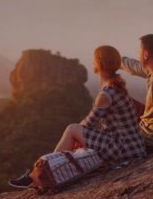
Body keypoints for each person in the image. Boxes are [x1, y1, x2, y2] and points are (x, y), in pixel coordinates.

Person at [9, 45, 147, 189]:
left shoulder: (106, 94)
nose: (92, 63)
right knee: (77, 133)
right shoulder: (118, 86)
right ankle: (47, 169)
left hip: (122, 148)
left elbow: (87, 124)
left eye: (94, 61)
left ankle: (47, 170)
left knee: (72, 129)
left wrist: (78, 137)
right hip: (134, 146)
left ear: (99, 64)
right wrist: (81, 137)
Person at [121, 34, 153, 152]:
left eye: (139, 50)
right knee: (123, 100)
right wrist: (117, 59)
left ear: (145, 54)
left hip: (148, 138)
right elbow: (134, 66)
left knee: (111, 103)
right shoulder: (150, 69)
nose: (137, 53)